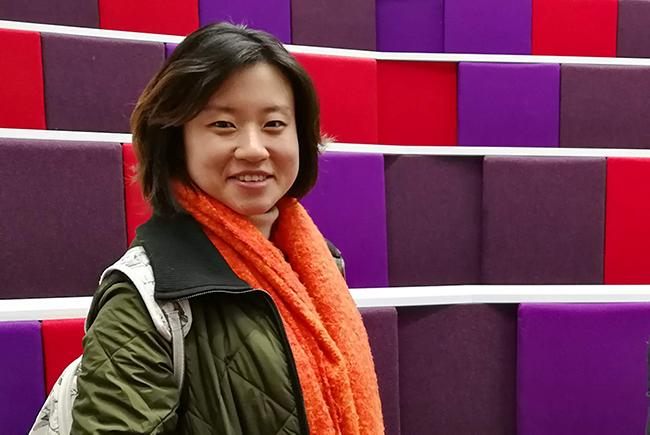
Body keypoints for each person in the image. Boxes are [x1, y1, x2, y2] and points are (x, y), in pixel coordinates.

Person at [69, 22, 384, 434]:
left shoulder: (317, 264)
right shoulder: (143, 297)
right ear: (176, 139)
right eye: (223, 125)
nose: (254, 149)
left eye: (273, 124)